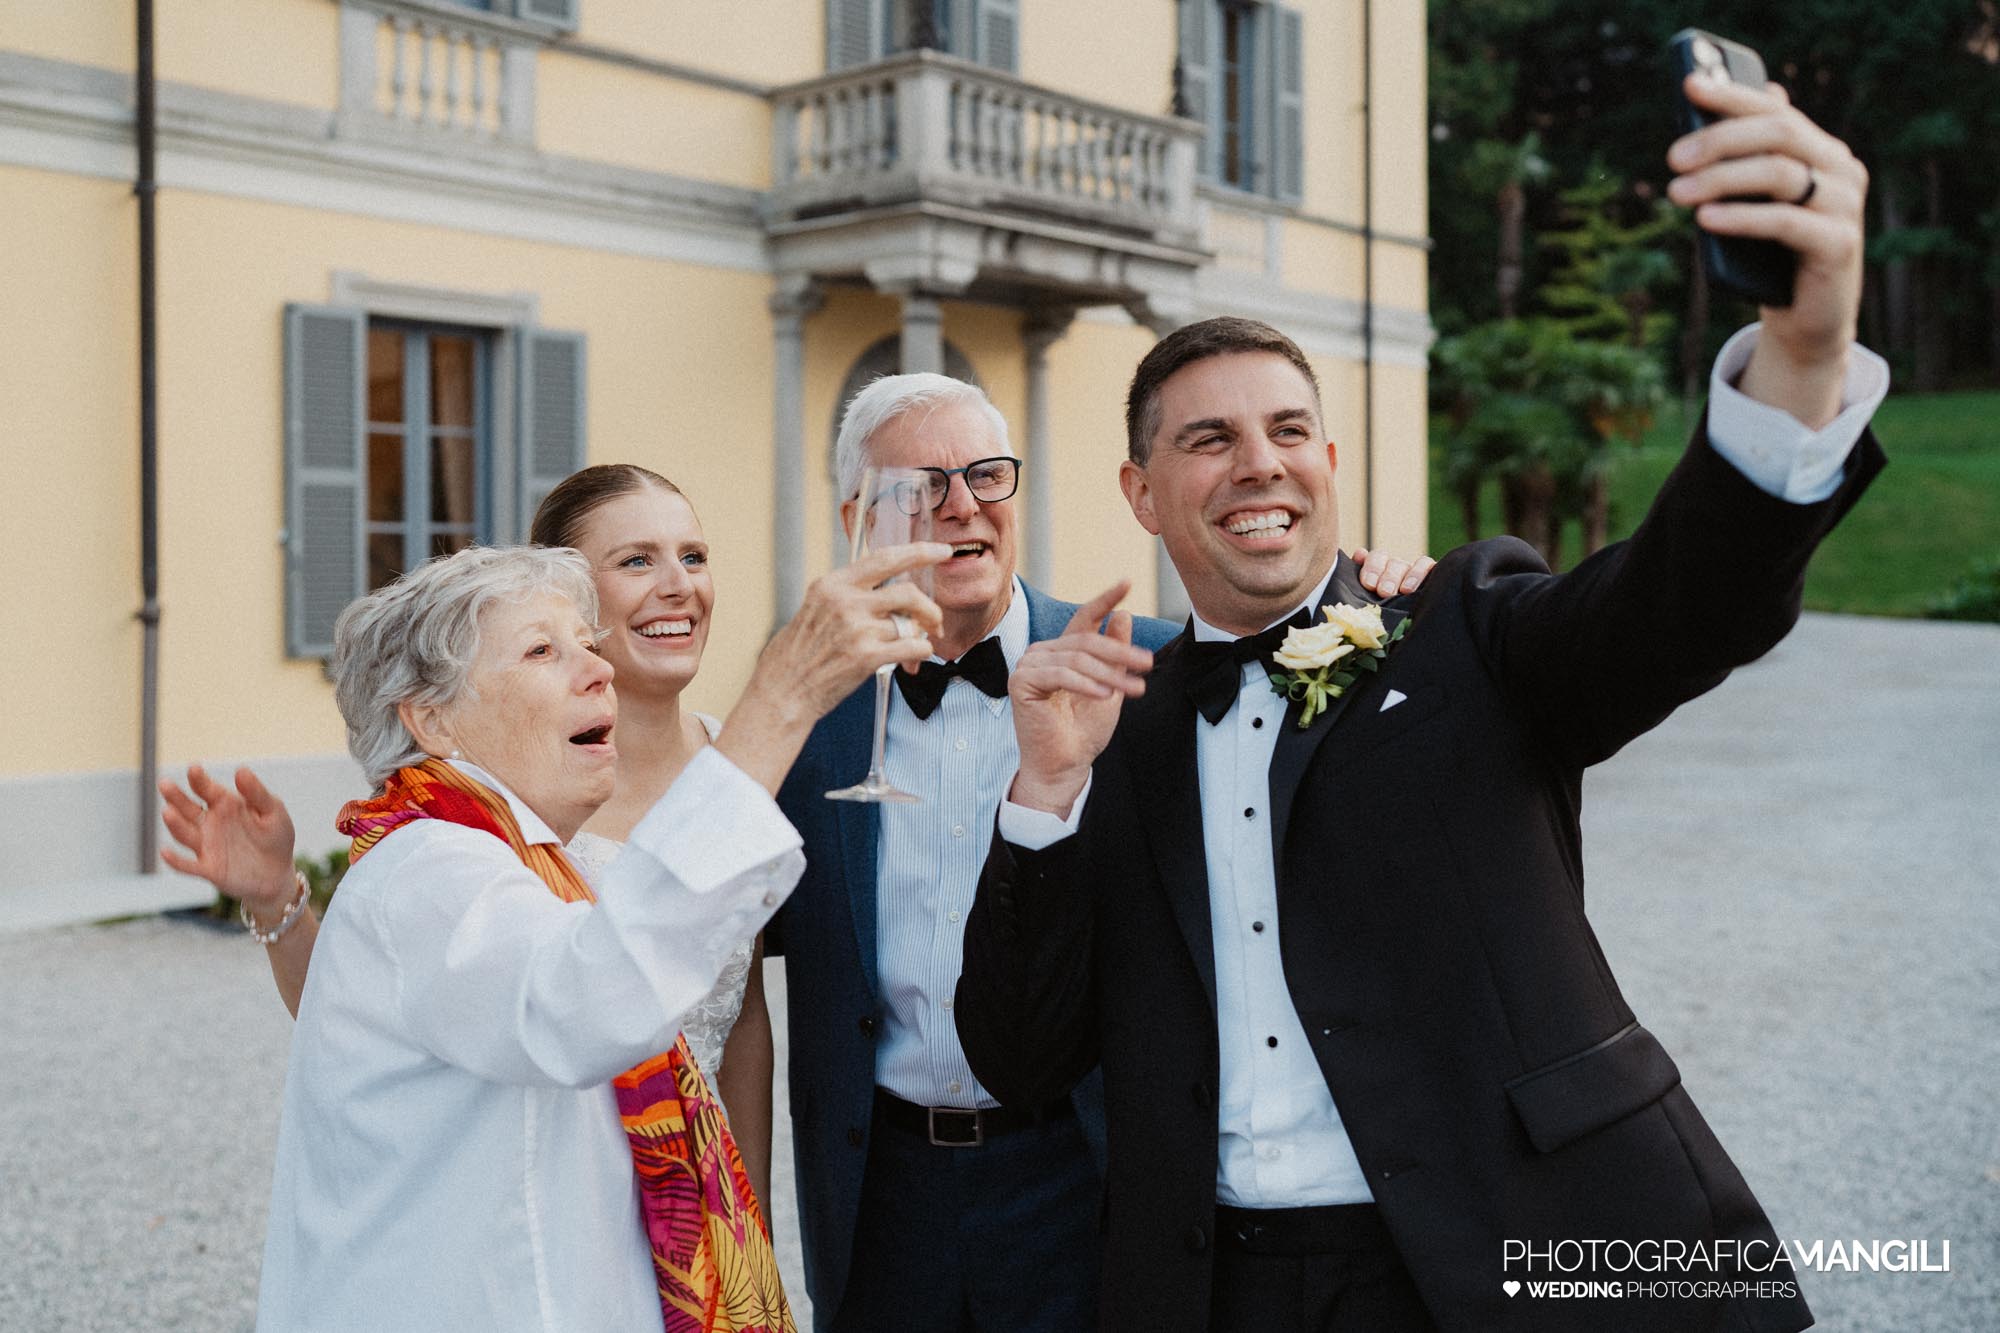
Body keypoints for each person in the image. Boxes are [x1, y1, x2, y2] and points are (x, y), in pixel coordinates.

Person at [955, 72, 1881, 1332]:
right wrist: (1041, 795)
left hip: (1517, 1250)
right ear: (1139, 490)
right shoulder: (1105, 725)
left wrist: (1804, 350)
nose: (1257, 464)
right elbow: (1018, 1057)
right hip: (1215, 1285)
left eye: (1287, 429)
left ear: (1330, 463)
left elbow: (1682, 604)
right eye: (1208, 439)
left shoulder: (1460, 624)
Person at [769, 372, 1435, 1330]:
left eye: (986, 476)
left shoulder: (1150, 669)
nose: (963, 507)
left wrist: (1377, 594)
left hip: (1088, 1168)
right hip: (882, 1186)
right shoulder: (807, 709)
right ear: (855, 517)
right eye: (923, 485)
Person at [179, 539, 947, 1329]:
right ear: (432, 719)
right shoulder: (431, 868)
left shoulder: (511, 862)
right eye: (543, 650)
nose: (599, 667)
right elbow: (592, 1001)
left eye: (588, 642)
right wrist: (782, 696)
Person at [163, 466, 783, 1203]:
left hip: (694, 1206)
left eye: (695, 555)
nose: (678, 583)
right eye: (637, 560)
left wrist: (751, 1223)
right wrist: (277, 900)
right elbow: (374, 994)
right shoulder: (464, 813)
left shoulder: (734, 769)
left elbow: (741, 1010)